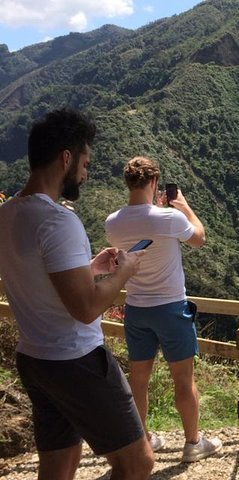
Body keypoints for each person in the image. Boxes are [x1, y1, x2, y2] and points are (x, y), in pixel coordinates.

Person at [0, 108, 154, 480]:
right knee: (137, 464)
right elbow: (85, 308)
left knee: (59, 464)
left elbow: (35, 275)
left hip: (36, 359)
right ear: (66, 158)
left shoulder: (6, 214)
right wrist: (125, 272)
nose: (85, 173)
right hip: (77, 361)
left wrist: (90, 268)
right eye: (84, 162)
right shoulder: (58, 219)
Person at [105, 156, 222, 462]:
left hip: (136, 309)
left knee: (139, 379)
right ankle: (193, 443)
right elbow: (199, 238)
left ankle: (143, 440)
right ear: (155, 183)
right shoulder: (169, 219)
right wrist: (183, 207)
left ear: (128, 183)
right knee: (183, 380)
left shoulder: (112, 223)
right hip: (171, 308)